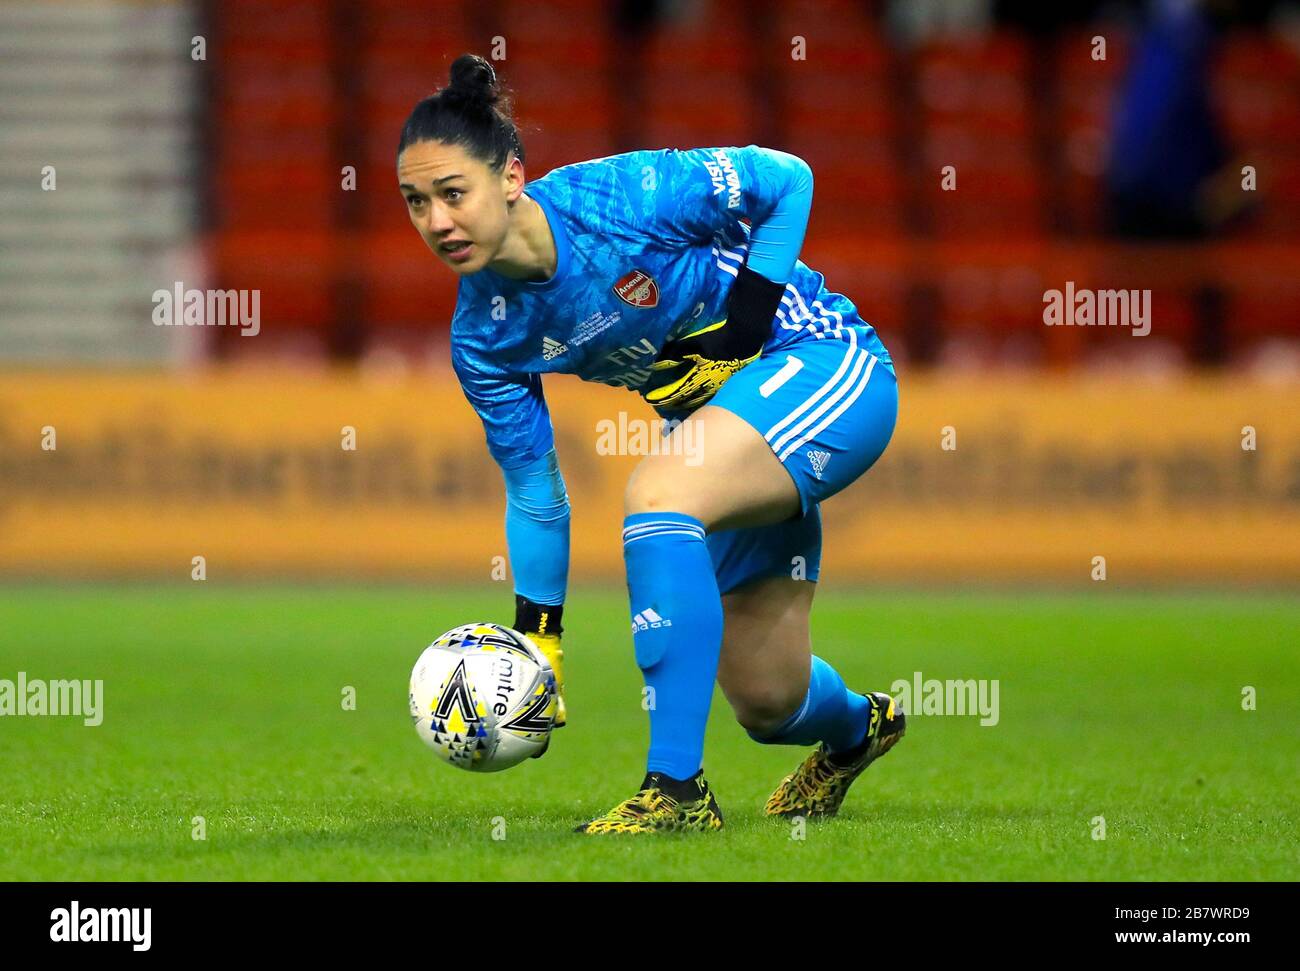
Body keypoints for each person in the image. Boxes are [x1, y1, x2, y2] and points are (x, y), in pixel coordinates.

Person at [398, 54, 904, 834]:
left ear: (511, 177)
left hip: (823, 362)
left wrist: (744, 320)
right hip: (723, 428)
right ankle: (858, 728)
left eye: (452, 192)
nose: (437, 221)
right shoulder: (483, 338)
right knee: (768, 701)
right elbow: (535, 490)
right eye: (416, 202)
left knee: (659, 493)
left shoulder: (616, 196)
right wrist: (541, 640)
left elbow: (787, 177)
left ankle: (676, 791)